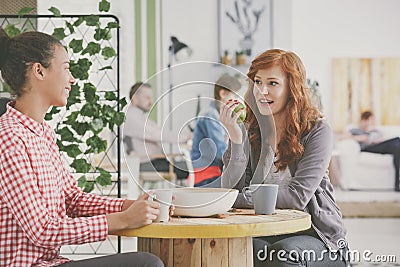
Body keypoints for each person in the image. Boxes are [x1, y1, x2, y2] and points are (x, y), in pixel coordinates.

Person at [0, 29, 165, 267]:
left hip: (52, 262)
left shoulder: (42, 133)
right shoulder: (9, 138)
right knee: (146, 264)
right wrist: (120, 220)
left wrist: (130, 207)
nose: (72, 79)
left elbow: (72, 200)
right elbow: (42, 230)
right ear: (39, 71)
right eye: (66, 68)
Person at [219, 49, 348, 266]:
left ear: (292, 87)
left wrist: (234, 199)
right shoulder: (251, 130)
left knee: (283, 254)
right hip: (266, 230)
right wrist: (236, 140)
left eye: (272, 83)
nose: (262, 91)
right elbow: (232, 187)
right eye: (257, 82)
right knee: (236, 249)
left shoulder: (316, 130)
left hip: (316, 237)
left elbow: (297, 198)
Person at [124, 82, 191, 182]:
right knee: (191, 167)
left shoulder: (138, 116)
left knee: (189, 166)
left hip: (154, 161)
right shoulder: (132, 118)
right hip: (149, 163)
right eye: (147, 97)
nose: (151, 101)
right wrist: (186, 137)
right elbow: (158, 134)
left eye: (151, 97)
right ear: (134, 98)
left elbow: (158, 132)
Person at [190, 73, 242, 186]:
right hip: (207, 175)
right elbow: (221, 153)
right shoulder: (210, 116)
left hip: (212, 172)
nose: (237, 101)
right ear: (223, 94)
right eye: (235, 96)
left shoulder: (215, 113)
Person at [348, 111, 400, 191]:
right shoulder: (356, 130)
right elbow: (342, 137)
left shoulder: (375, 130)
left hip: (379, 146)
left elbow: (381, 139)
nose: (369, 122)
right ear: (362, 120)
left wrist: (373, 137)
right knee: (397, 140)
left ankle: (397, 183)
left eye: (371, 120)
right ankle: (397, 184)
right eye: (367, 120)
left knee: (397, 147)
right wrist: (364, 137)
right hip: (368, 148)